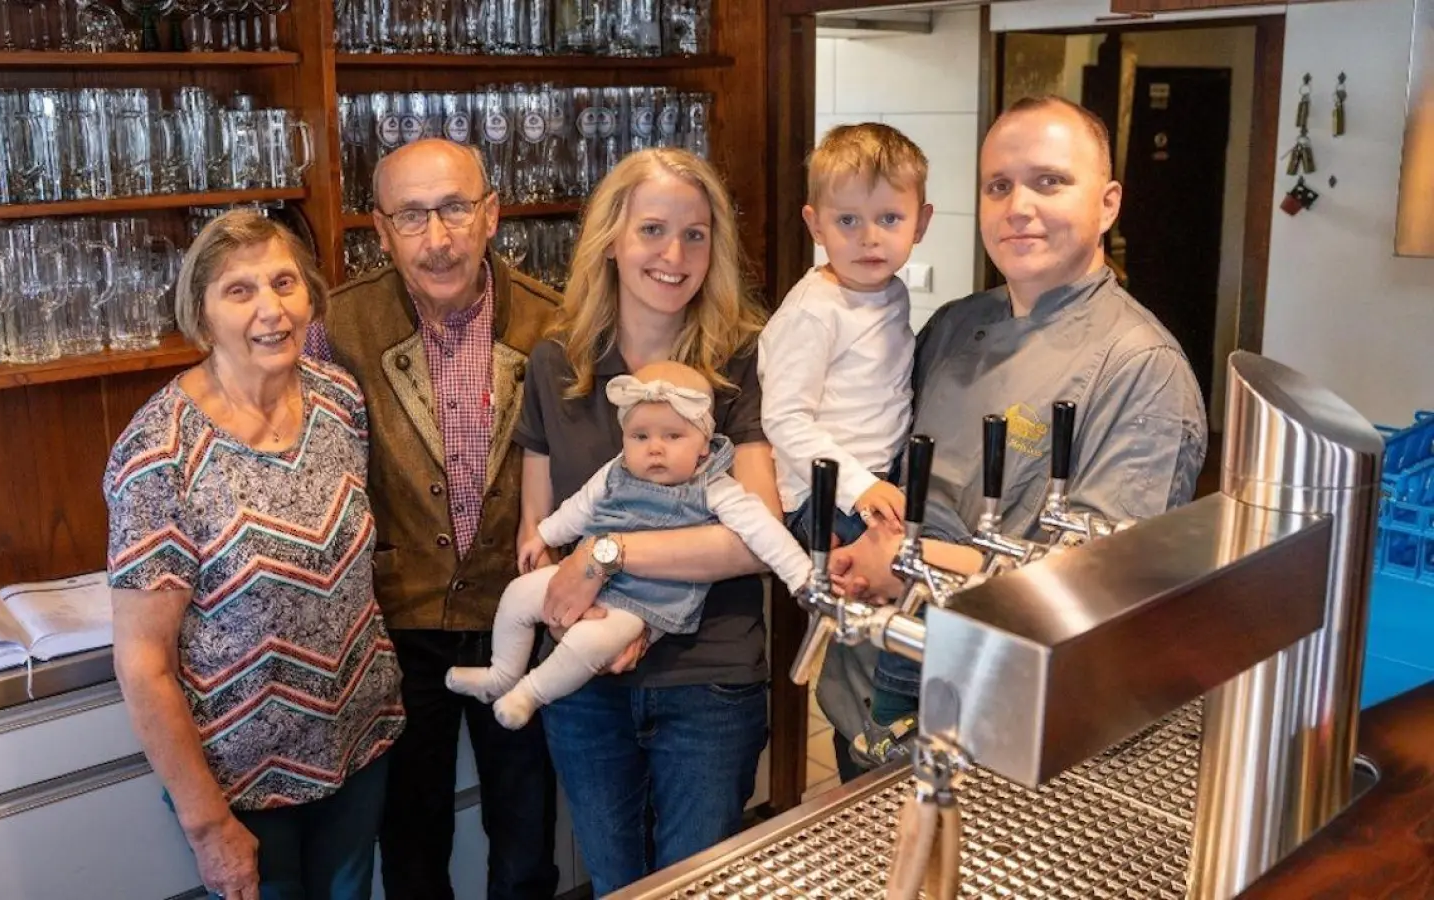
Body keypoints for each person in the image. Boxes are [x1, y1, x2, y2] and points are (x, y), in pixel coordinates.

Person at [822, 94, 1208, 782]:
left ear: (1108, 204)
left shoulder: (1141, 370)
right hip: (874, 687)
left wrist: (910, 559)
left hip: (1000, 727)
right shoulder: (953, 325)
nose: (1018, 207)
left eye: (1049, 181)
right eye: (998, 186)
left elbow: (1101, 582)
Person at [107, 209, 404, 900]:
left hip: (359, 743)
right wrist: (208, 826)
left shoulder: (339, 399)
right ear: (202, 315)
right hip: (242, 784)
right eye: (239, 291)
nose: (271, 309)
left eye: (284, 283)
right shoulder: (159, 453)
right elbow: (143, 663)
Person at [513, 147, 777, 897]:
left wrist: (607, 554)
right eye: (653, 230)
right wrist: (587, 626)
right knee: (616, 884)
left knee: (697, 887)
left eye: (696, 235)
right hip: (585, 683)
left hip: (709, 679)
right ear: (611, 240)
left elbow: (755, 538)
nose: (674, 256)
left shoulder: (741, 358)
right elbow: (536, 538)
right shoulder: (557, 362)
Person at [310, 138, 561, 900]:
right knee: (412, 845)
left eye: (455, 208)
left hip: (520, 614)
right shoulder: (337, 325)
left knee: (525, 840)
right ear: (380, 232)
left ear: (492, 215)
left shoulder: (557, 321)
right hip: (396, 625)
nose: (438, 238)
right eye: (412, 216)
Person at [448, 360, 813, 729]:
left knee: (590, 643)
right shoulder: (615, 472)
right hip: (584, 579)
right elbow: (578, 508)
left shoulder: (715, 489)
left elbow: (764, 532)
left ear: (704, 444)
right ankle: (501, 675)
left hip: (645, 604)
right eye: (640, 436)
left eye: (673, 436)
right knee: (518, 594)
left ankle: (530, 694)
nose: (655, 448)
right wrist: (544, 535)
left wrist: (802, 575)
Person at [758, 122, 932, 772]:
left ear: (921, 222)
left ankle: (891, 711)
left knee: (911, 589)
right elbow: (785, 420)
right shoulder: (815, 310)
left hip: (872, 476)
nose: (869, 237)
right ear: (815, 224)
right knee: (910, 586)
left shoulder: (888, 291)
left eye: (889, 218)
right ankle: (887, 716)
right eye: (848, 220)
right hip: (825, 492)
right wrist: (861, 489)